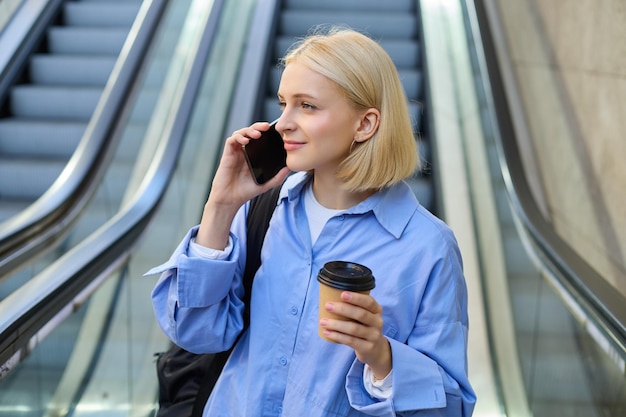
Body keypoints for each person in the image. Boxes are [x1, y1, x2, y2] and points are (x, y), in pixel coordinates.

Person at [148, 27, 476, 416]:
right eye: (284, 103)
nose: (282, 123)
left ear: (365, 124)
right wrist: (220, 205)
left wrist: (383, 358)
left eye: (307, 106)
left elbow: (451, 407)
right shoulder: (260, 212)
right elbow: (196, 333)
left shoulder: (428, 248)